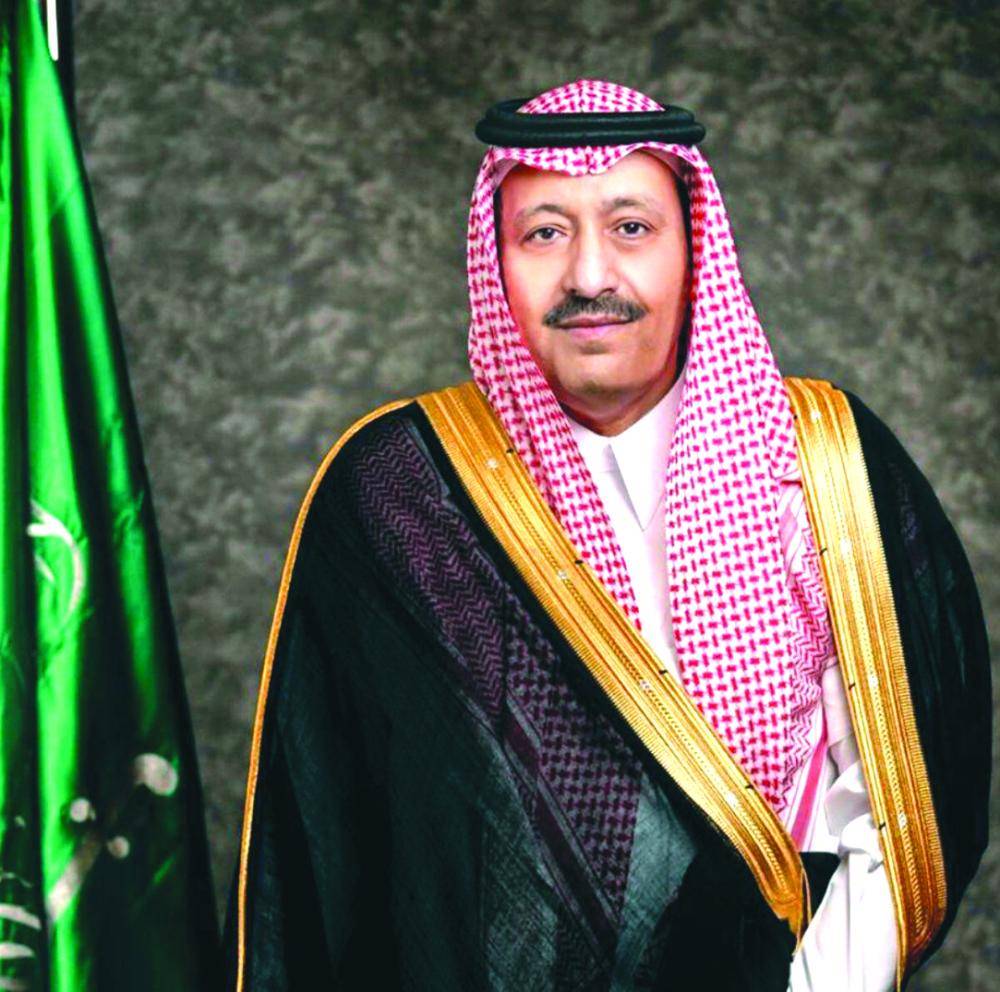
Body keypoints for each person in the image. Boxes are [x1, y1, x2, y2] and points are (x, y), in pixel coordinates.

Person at [224, 80, 990, 991]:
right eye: (545, 233)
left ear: (693, 250)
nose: (589, 276)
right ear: (496, 259)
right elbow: (330, 846)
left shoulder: (826, 466)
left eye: (631, 227)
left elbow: (896, 812)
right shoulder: (401, 489)